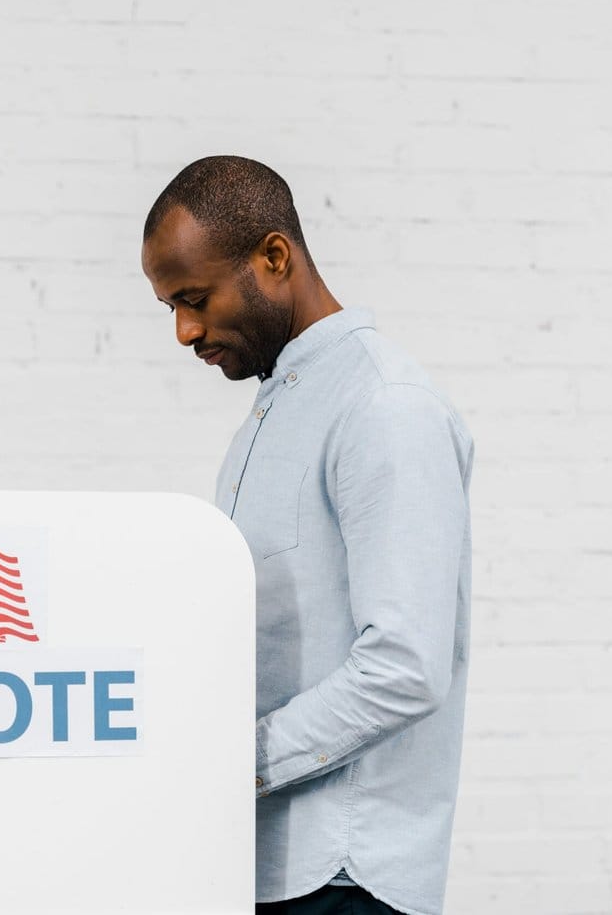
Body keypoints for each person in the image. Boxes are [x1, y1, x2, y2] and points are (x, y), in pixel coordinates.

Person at [140, 156, 474, 915]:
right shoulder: (279, 407)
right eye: (170, 307)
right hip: (265, 863)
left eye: (194, 299)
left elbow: (406, 666)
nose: (185, 330)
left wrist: (227, 763)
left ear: (274, 257)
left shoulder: (385, 407)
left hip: (343, 877)